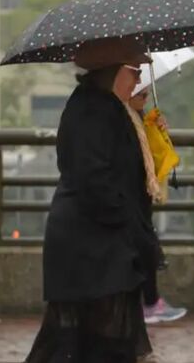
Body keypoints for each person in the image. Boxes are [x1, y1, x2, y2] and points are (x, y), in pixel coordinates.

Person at [25, 38, 160, 363]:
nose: (138, 79)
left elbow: (128, 167)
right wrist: (129, 226)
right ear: (112, 71)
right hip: (90, 247)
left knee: (100, 341)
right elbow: (93, 179)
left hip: (107, 245)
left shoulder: (114, 109)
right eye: (134, 71)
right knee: (86, 342)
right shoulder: (90, 110)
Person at [128, 86, 188, 325]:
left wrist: (157, 131)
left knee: (147, 246)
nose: (145, 98)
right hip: (130, 194)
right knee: (145, 247)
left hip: (141, 192)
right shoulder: (121, 118)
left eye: (145, 94)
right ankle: (149, 304)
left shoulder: (139, 118)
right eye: (139, 94)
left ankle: (150, 303)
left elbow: (152, 153)